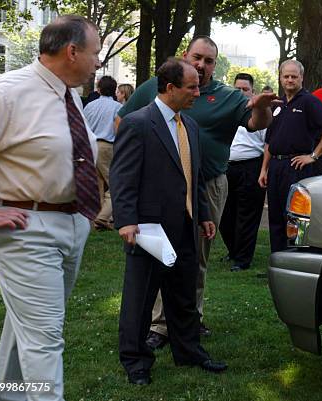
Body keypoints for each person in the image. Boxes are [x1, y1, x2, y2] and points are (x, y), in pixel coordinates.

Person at [115, 35, 276, 348]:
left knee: (195, 256)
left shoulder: (228, 96)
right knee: (158, 252)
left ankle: (190, 318)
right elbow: (123, 121)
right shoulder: (158, 85)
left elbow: (257, 123)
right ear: (185, 55)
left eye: (209, 61)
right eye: (197, 57)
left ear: (216, 65)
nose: (202, 65)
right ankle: (159, 325)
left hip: (208, 185)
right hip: (160, 186)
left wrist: (262, 108)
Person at [0, 15, 101, 401]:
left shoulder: (68, 93)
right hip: (25, 228)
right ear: (72, 52)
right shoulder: (5, 93)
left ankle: (9, 396)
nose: (98, 63)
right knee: (44, 336)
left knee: (28, 331)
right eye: (95, 53)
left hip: (70, 224)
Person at [110, 58, 227, 385]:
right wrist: (126, 221)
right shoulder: (137, 123)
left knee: (183, 296)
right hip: (148, 232)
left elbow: (195, 176)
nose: (198, 92)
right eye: (191, 87)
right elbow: (122, 177)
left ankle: (188, 351)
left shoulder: (189, 125)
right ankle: (136, 363)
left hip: (186, 228)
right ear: (170, 87)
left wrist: (203, 214)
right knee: (140, 301)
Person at [258, 60, 322, 253]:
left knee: (296, 218)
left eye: (294, 76)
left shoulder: (309, 101)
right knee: (276, 217)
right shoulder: (278, 104)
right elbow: (270, 141)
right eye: (286, 76)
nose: (290, 80)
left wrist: (313, 156)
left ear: (301, 77)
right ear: (280, 77)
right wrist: (264, 169)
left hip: (296, 168)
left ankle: (296, 259)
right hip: (276, 168)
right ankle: (277, 259)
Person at [219, 73, 267, 272]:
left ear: (252, 91)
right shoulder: (227, 110)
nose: (240, 92)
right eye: (237, 88)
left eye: (245, 89)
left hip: (251, 166)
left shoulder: (260, 112)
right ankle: (233, 250)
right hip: (226, 167)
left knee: (247, 215)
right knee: (224, 215)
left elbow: (268, 145)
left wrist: (264, 170)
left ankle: (243, 259)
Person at [84, 75, 122, 230]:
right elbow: (118, 129)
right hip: (108, 147)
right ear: (114, 90)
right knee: (116, 183)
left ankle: (97, 217)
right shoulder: (118, 108)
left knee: (98, 184)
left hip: (91, 146)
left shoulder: (89, 106)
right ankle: (103, 217)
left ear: (98, 89)